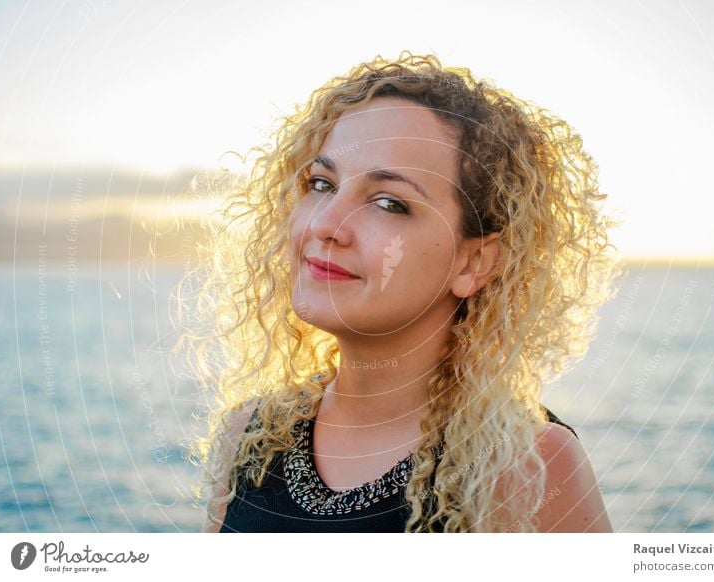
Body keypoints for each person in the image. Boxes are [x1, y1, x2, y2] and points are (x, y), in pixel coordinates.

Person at [183, 52, 624, 533]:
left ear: (474, 261)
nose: (326, 223)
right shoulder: (250, 436)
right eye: (321, 183)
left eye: (389, 203)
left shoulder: (526, 468)